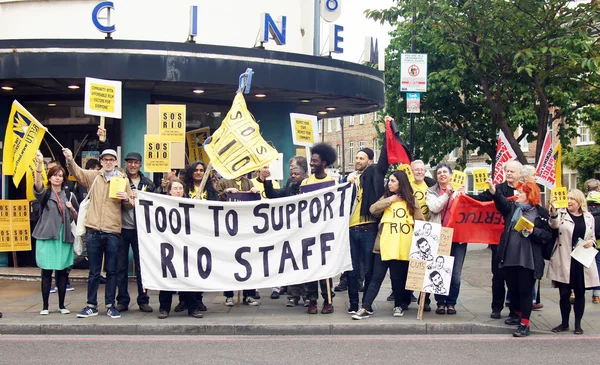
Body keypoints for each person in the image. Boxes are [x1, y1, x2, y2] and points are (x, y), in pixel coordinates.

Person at [64, 147, 134, 319]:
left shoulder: (122, 180)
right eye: (105, 159)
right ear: (101, 162)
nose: (108, 162)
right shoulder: (94, 177)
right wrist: (70, 160)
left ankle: (110, 305)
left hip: (112, 231)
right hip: (93, 230)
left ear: (116, 162)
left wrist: (126, 199)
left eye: (111, 159)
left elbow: (131, 203)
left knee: (112, 270)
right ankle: (91, 305)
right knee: (94, 271)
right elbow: (78, 173)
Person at [352, 170, 424, 319]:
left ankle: (398, 306)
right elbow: (373, 209)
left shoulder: (411, 200)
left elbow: (421, 223)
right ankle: (365, 307)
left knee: (397, 278)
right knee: (376, 277)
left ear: (401, 183)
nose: (389, 183)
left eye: (393, 181)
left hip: (402, 247)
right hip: (383, 247)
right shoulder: (386, 197)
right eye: (389, 180)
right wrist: (391, 200)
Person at [486, 179, 553, 337]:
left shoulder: (540, 213)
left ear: (530, 195)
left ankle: (525, 323)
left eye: (521, 192)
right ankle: (516, 314)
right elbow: (501, 203)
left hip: (528, 258)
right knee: (513, 288)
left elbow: (547, 236)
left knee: (525, 291)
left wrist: (533, 231)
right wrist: (493, 190)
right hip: (510, 256)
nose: (517, 194)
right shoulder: (513, 208)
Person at [470, 160, 524, 318]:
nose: (509, 174)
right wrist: (461, 195)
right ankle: (496, 308)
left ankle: (515, 310)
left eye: (512, 171)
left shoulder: (524, 190)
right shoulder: (498, 188)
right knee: (498, 276)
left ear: (520, 174)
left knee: (514, 279)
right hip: (498, 239)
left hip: (518, 241)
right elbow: (480, 199)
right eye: (507, 171)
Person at [32, 152, 79, 315]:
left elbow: (78, 218)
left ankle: (62, 305)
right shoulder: (45, 195)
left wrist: (71, 208)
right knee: (46, 272)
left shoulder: (70, 195)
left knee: (62, 272)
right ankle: (45, 306)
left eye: (60, 175)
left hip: (64, 237)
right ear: (50, 178)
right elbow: (37, 183)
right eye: (55, 175)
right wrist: (39, 165)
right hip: (47, 237)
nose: (58, 178)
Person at [547, 189, 599, 335]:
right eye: (568, 198)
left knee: (580, 293)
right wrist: (553, 209)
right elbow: (554, 224)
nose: (569, 201)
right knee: (564, 294)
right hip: (564, 258)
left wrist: (591, 242)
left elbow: (593, 236)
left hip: (581, 260)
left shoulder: (589, 217)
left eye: (573, 199)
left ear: (580, 202)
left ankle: (578, 324)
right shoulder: (561, 214)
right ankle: (564, 323)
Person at [345, 146, 390, 314]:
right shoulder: (350, 179)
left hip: (369, 230)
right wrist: (345, 182)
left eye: (362, 158)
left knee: (369, 269)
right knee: (351, 269)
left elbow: (384, 162)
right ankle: (353, 304)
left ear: (370, 161)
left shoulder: (374, 175)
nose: (358, 161)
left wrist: (388, 128)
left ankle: (366, 304)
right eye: (356, 158)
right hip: (351, 230)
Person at [157, 179, 204, 319]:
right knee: (166, 277)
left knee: (188, 277)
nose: (178, 191)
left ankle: (193, 308)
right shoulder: (162, 203)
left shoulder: (190, 204)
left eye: (180, 188)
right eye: (175, 188)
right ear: (169, 191)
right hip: (168, 245)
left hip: (186, 247)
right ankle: (164, 308)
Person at [174, 161, 217, 313]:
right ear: (191, 172)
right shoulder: (184, 188)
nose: (198, 173)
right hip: (185, 233)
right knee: (184, 266)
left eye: (201, 170)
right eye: (196, 170)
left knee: (200, 267)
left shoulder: (210, 190)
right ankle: (183, 300)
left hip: (203, 233)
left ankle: (198, 299)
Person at [116, 152, 156, 314]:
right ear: (126, 164)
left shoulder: (148, 183)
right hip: (121, 228)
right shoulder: (118, 180)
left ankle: (143, 300)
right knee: (120, 267)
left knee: (143, 267)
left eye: (136, 162)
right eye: (130, 162)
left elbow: (154, 204)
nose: (132, 165)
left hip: (141, 231)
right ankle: (122, 300)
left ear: (141, 165)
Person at [426, 164, 468, 315]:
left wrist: (461, 195)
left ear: (451, 175)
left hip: (458, 237)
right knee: (440, 270)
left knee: (455, 273)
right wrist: (446, 194)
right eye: (439, 173)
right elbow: (434, 207)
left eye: (445, 172)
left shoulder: (461, 190)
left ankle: (451, 303)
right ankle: (440, 302)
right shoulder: (431, 191)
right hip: (440, 235)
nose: (442, 174)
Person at [265, 165, 310, 307]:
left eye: (296, 174)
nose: (293, 176)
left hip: (308, 232)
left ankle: (307, 296)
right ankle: (293, 296)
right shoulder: (289, 187)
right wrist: (267, 181)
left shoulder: (311, 188)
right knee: (292, 264)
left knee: (306, 266)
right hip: (292, 233)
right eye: (292, 174)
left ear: (304, 176)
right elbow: (273, 195)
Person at [302, 143, 337, 314]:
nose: (312, 164)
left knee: (325, 267)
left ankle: (328, 299)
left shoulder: (333, 182)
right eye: (311, 161)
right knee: (311, 267)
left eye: (315, 161)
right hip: (310, 231)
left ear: (324, 162)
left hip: (326, 230)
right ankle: (312, 300)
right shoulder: (306, 182)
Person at [215, 173, 260, 306]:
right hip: (228, 226)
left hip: (246, 226)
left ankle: (249, 294)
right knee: (229, 260)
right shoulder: (223, 181)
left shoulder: (248, 182)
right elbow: (215, 200)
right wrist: (226, 192)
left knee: (249, 259)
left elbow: (256, 202)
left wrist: (255, 193)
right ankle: (229, 295)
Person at [584, 179, 600, 304]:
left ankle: (574, 291)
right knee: (599, 266)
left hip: (585, 240)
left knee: (581, 265)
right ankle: (596, 295)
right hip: (598, 241)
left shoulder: (583, 201)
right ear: (598, 188)